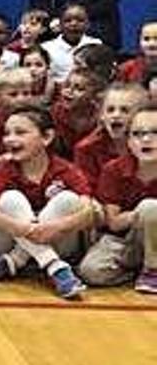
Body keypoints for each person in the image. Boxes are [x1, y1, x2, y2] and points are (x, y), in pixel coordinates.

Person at [0, 105, 95, 299]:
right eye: (6, 133)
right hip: (12, 237)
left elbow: (89, 211)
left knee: (68, 199)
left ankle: (14, 261)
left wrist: (56, 226)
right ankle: (55, 267)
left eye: (20, 132)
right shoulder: (5, 169)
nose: (10, 139)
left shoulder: (66, 169)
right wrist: (21, 228)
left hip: (59, 241)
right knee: (10, 198)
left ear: (47, 137)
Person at [78, 105, 157, 291]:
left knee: (151, 208)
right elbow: (114, 223)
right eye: (137, 134)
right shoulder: (114, 169)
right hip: (125, 238)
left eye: (155, 132)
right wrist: (142, 215)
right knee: (91, 271)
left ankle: (153, 270)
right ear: (128, 141)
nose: (146, 139)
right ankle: (139, 271)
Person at [29, 0, 121, 49]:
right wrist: (51, 22)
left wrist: (70, 22)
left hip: (96, 39)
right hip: (56, 40)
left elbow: (103, 7)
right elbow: (38, 8)